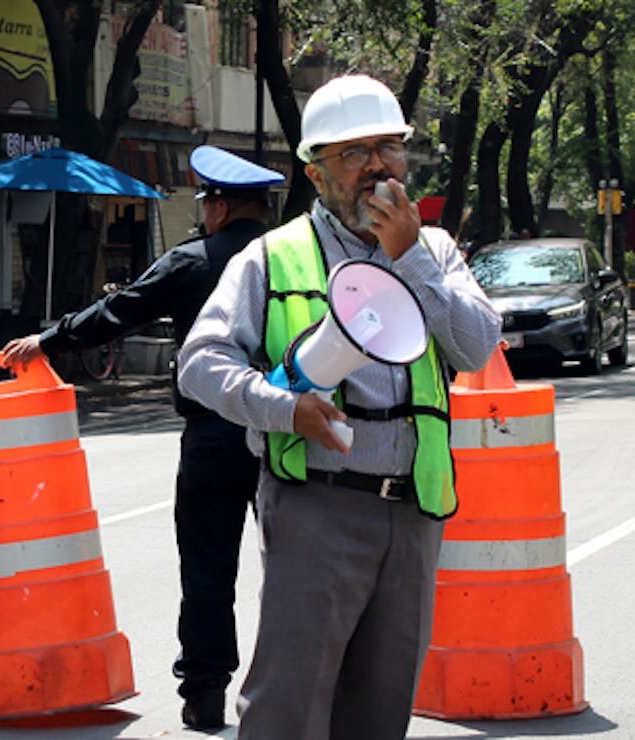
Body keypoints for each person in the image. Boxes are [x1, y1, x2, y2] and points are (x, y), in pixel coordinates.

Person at [177, 75, 501, 739]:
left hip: (413, 511)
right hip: (316, 504)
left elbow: (473, 349)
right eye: (356, 153)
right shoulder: (271, 256)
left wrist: (411, 258)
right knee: (287, 711)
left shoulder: (434, 250)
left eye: (390, 148)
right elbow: (199, 365)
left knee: (380, 714)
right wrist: (282, 408)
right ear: (317, 173)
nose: (379, 167)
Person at [1, 146, 284, 730]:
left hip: (212, 436)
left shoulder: (193, 261)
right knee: (292, 567)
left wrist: (49, 341)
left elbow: (119, 311)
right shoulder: (295, 262)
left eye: (205, 202)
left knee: (207, 567)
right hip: (285, 433)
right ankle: (292, 690)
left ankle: (205, 694)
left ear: (220, 206)